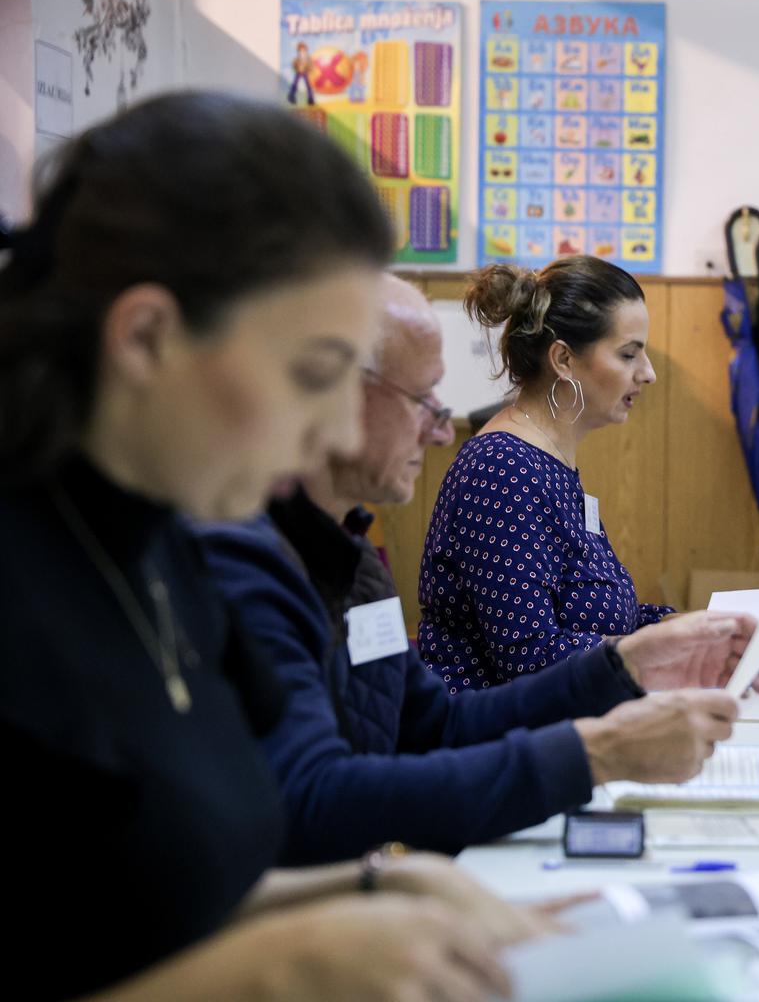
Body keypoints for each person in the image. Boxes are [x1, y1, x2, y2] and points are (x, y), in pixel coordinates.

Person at [0, 91, 538, 1002]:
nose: (334, 426)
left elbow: (150, 905)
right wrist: (275, 966)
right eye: (315, 373)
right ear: (147, 336)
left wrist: (379, 884)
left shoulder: (161, 547)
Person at [199, 275, 759, 863]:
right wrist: (597, 751)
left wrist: (628, 662)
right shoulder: (249, 564)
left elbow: (436, 725)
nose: (443, 428)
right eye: (423, 401)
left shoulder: (356, 563)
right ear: (334, 396)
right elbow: (317, 798)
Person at [418, 257, 673, 690]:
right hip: (494, 743)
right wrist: (671, 650)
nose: (647, 373)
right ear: (564, 360)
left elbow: (599, 617)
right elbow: (530, 656)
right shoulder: (502, 468)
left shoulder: (548, 461)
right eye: (629, 354)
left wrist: (696, 629)